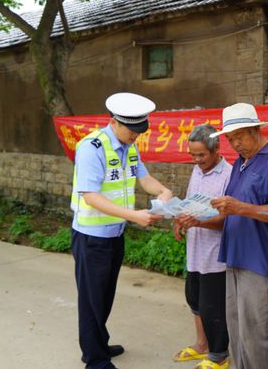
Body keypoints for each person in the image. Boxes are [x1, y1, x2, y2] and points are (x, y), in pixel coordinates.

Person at [70, 92, 173, 369]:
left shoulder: (129, 147)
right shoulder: (91, 148)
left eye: (139, 132)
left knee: (105, 296)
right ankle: (95, 361)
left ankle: (98, 344)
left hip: (114, 235)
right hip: (91, 238)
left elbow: (144, 178)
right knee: (92, 301)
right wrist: (134, 216)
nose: (135, 137)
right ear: (114, 122)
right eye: (131, 130)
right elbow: (90, 196)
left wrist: (163, 190)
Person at [209, 103, 268, 369]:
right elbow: (231, 208)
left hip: (259, 259)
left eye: (239, 136)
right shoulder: (241, 163)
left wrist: (240, 208)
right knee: (236, 328)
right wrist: (196, 218)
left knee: (256, 332)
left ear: (256, 130)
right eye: (230, 138)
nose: (235, 144)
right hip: (235, 254)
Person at [172, 124, 232, 369]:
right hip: (195, 249)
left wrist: (199, 221)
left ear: (216, 149)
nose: (197, 160)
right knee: (195, 300)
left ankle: (219, 355)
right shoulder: (197, 171)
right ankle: (202, 345)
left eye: (201, 155)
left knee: (213, 306)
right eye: (193, 155)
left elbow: (229, 218)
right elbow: (189, 203)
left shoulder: (229, 175)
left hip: (215, 254)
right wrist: (179, 220)